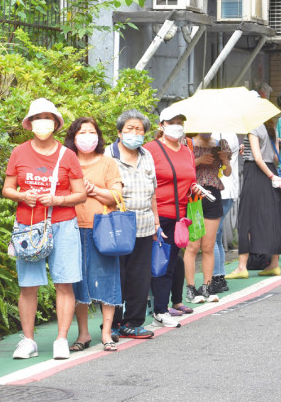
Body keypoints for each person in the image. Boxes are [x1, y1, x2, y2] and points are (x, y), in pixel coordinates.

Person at [2, 98, 86, 360]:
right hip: (28, 226)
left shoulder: (68, 155)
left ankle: (61, 339)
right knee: (28, 285)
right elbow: (7, 188)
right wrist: (21, 196)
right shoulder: (19, 152)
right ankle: (28, 340)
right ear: (30, 123)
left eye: (48, 117)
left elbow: (80, 194)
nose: (43, 122)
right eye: (38, 117)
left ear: (56, 123)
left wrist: (58, 200)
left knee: (64, 282)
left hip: (63, 224)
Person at [64, 117, 123, 352]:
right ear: (73, 137)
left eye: (92, 132)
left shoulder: (108, 163)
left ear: (98, 136)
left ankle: (107, 333)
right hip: (71, 228)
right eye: (82, 132)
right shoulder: (67, 163)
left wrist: (93, 190)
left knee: (108, 278)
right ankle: (83, 334)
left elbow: (116, 196)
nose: (87, 136)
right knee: (77, 282)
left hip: (102, 230)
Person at [144, 105, 204, 327]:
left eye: (180, 122)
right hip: (155, 216)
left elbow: (190, 180)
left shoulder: (187, 150)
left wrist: (195, 189)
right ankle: (153, 310)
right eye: (172, 122)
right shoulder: (150, 149)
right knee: (153, 265)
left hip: (180, 216)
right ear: (161, 125)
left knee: (168, 265)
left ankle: (161, 309)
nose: (177, 126)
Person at [105, 110, 157, 340]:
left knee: (139, 276)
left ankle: (133, 322)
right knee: (117, 274)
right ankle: (113, 323)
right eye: (129, 129)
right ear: (119, 132)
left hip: (144, 225)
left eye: (139, 129)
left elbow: (153, 191)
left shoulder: (147, 155)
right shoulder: (108, 155)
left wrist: (156, 221)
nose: (135, 133)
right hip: (116, 225)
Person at [226, 117, 281, 279]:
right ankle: (274, 264)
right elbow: (275, 158)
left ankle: (242, 266)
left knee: (247, 218)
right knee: (273, 216)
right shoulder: (271, 128)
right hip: (271, 171)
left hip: (256, 173)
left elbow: (257, 158)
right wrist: (273, 176)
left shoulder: (253, 128)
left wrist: (270, 177)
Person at [182, 132, 231, 305]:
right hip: (194, 195)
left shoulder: (220, 143)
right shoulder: (187, 143)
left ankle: (207, 287)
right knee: (192, 246)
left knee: (209, 246)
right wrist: (199, 160)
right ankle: (190, 288)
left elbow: (227, 173)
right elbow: (182, 169)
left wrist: (225, 160)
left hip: (214, 194)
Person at [210, 131, 240, 294]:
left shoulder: (221, 136)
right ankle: (220, 276)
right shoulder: (231, 134)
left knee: (212, 236)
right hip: (226, 191)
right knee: (217, 235)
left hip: (220, 190)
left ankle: (216, 277)